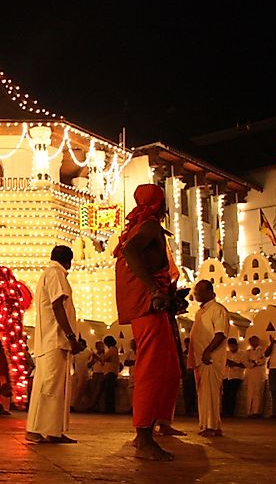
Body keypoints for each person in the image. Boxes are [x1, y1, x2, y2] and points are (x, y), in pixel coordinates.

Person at [114, 184, 181, 461]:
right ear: (159, 204)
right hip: (148, 306)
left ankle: (155, 425)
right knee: (152, 369)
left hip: (151, 306)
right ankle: (143, 437)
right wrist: (154, 289)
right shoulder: (150, 226)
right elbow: (130, 253)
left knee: (169, 367)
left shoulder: (140, 225)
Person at [26, 245, 82, 444]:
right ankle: (36, 429)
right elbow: (58, 305)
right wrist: (70, 335)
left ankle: (52, 430)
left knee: (54, 387)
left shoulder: (49, 274)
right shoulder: (56, 273)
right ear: (68, 261)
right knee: (49, 386)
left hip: (52, 340)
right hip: (55, 339)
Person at [188, 279, 228, 437]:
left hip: (210, 359)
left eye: (200, 291)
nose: (196, 294)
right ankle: (207, 425)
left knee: (210, 393)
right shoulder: (200, 312)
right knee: (204, 394)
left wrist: (207, 351)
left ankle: (212, 426)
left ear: (210, 292)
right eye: (195, 291)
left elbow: (220, 334)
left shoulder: (218, 310)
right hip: (200, 360)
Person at [244, 335, 267, 418]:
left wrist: (255, 362)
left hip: (259, 372)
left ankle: (256, 412)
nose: (253, 342)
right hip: (250, 372)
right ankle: (249, 412)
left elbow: (264, 360)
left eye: (255, 340)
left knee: (258, 392)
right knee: (250, 392)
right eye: (251, 341)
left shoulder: (263, 350)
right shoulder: (248, 351)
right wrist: (251, 364)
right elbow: (245, 362)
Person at [223, 338, 245, 418]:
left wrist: (234, 364)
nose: (231, 347)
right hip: (226, 376)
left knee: (232, 394)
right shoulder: (226, 353)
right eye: (230, 345)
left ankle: (230, 412)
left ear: (236, 345)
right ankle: (224, 411)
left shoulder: (242, 353)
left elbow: (245, 365)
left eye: (232, 345)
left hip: (236, 376)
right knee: (225, 394)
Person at [101, 335, 120, 413]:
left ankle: (109, 408)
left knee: (109, 391)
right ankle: (109, 408)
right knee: (109, 391)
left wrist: (102, 353)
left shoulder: (112, 350)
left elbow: (104, 358)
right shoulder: (114, 350)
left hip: (110, 372)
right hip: (111, 371)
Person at [71, 339, 91, 411]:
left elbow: (94, 357)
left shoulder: (88, 352)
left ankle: (75, 406)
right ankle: (72, 405)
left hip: (84, 373)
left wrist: (90, 364)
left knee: (80, 390)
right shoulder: (75, 353)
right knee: (74, 390)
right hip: (76, 372)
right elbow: (73, 363)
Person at [181, 337, 197, 416]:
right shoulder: (184, 353)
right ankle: (188, 409)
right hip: (186, 374)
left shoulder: (194, 353)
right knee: (186, 393)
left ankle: (193, 409)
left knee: (192, 392)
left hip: (192, 373)